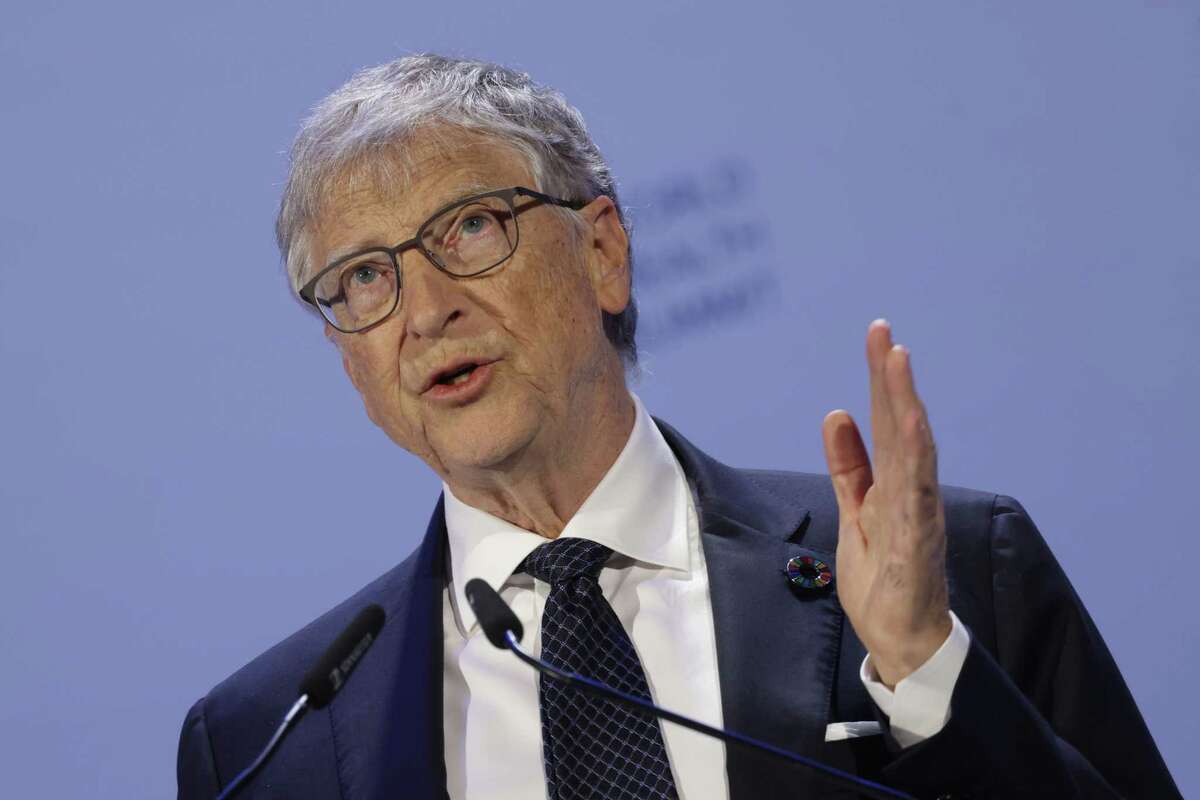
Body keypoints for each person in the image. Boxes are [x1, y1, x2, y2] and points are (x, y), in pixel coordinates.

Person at [176, 54, 1179, 799]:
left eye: (470, 227)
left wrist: (925, 674)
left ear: (604, 250)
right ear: (349, 359)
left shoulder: (955, 567)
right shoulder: (269, 741)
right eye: (361, 278)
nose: (424, 306)